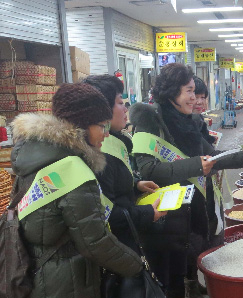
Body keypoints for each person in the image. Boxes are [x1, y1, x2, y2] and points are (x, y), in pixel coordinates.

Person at [129, 63, 243, 298]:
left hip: (193, 215)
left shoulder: (191, 122)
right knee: (170, 285)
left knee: (189, 273)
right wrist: (194, 166)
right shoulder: (150, 120)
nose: (195, 98)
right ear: (172, 92)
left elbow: (213, 158)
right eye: (189, 91)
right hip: (165, 220)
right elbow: (148, 170)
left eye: (195, 92)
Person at [10, 83, 143, 298]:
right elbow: (95, 242)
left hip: (34, 274)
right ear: (80, 127)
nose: (106, 134)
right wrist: (139, 266)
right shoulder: (74, 171)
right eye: (101, 126)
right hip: (67, 283)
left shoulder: (36, 156)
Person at [83, 75, 167, 297]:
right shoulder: (99, 155)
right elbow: (107, 213)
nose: (125, 108)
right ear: (100, 110)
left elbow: (113, 191)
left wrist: (135, 185)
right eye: (120, 102)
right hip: (117, 252)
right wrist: (149, 212)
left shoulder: (114, 142)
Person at [192, 76, 216, 145]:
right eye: (196, 97)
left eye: (202, 97)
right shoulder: (181, 124)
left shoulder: (199, 119)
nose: (199, 102)